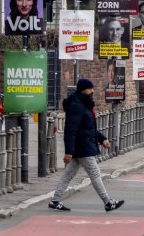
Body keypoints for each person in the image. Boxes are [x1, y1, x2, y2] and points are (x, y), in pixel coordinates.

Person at [49, 78, 125, 212]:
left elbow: (88, 127)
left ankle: (55, 200)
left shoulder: (84, 104)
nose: (93, 91)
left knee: (68, 174)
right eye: (90, 88)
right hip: (82, 146)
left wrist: (102, 139)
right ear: (83, 90)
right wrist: (68, 152)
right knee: (95, 173)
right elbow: (70, 130)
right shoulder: (77, 105)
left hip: (81, 145)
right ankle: (108, 202)